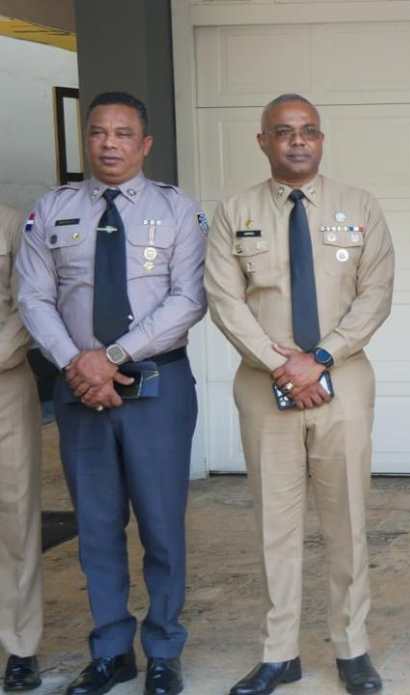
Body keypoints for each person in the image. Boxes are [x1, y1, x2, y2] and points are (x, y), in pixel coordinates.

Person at [16, 91, 207, 695]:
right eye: (98, 133)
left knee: (161, 526)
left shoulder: (177, 209)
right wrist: (79, 364)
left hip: (157, 387)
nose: (109, 144)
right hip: (80, 390)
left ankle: (164, 650)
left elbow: (188, 299)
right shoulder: (52, 209)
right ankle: (110, 651)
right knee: (97, 527)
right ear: (87, 139)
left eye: (123, 134)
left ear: (144, 144)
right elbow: (33, 297)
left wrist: (112, 358)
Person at [205, 94, 395, 695]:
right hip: (266, 384)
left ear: (321, 139)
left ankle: (352, 647)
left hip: (343, 378)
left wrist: (320, 358)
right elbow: (224, 300)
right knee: (275, 523)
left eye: (308, 130)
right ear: (262, 140)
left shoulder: (359, 206)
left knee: (347, 520)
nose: (297, 141)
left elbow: (376, 294)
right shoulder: (235, 211)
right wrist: (281, 366)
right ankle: (278, 652)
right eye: (283, 131)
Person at [0, 203, 42, 693]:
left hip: (4, 383)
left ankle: (20, 646)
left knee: (14, 517)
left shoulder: (13, 224)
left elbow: (28, 302)